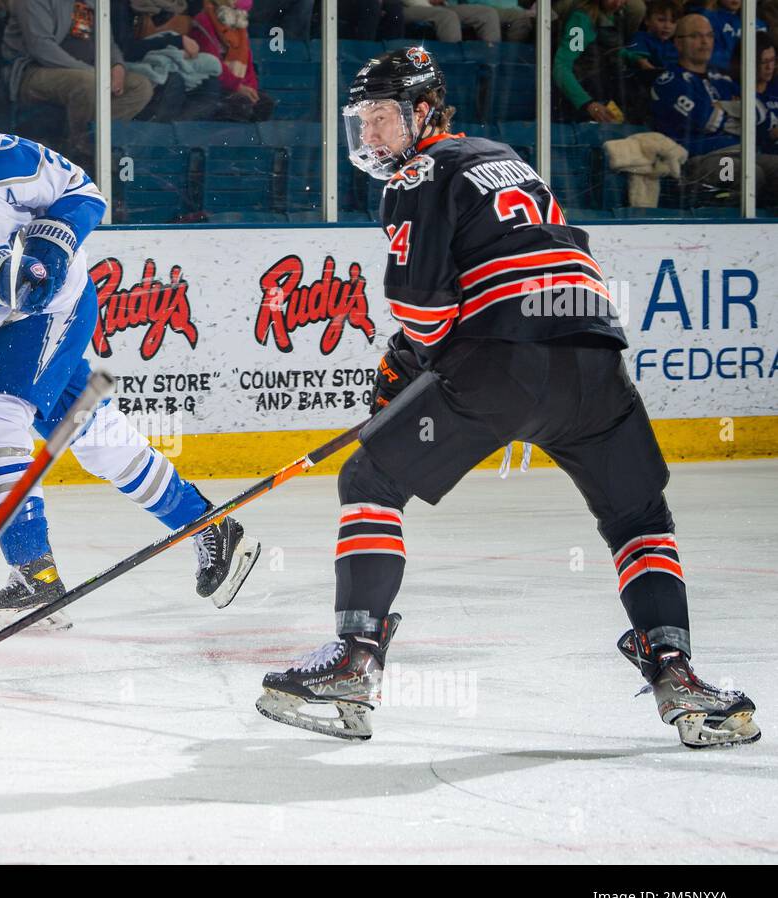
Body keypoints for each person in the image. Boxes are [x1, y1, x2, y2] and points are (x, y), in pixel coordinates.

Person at [257, 47, 760, 749]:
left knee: (369, 478)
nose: (370, 137)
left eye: (382, 120)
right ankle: (674, 669)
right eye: (363, 122)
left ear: (424, 113)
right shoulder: (506, 157)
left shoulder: (418, 173)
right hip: (593, 361)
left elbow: (426, 315)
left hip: (508, 366)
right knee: (638, 513)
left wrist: (405, 363)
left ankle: (355, 659)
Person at [0, 103, 261, 631]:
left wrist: (54, 241)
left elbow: (81, 192)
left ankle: (35, 573)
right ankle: (211, 527)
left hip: (62, 303)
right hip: (8, 324)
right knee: (98, 438)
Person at [1, 0, 155, 164]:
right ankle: (80, 155)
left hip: (90, 72)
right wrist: (94, 73)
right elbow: (41, 47)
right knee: (88, 83)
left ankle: (84, 139)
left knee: (141, 87)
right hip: (34, 71)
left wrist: (118, 67)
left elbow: (108, 43)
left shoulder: (95, 2)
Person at [650, 13, 778, 204]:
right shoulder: (670, 82)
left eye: (709, 35)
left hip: (741, 152)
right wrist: (739, 114)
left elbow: (760, 114)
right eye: (696, 36)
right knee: (750, 175)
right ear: (678, 43)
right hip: (698, 160)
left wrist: (723, 108)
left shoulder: (723, 81)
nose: (704, 42)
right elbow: (708, 121)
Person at [400, 0, 504, 44]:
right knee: (447, 16)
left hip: (441, 6)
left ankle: (489, 71)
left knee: (488, 14)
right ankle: (453, 72)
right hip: (405, 7)